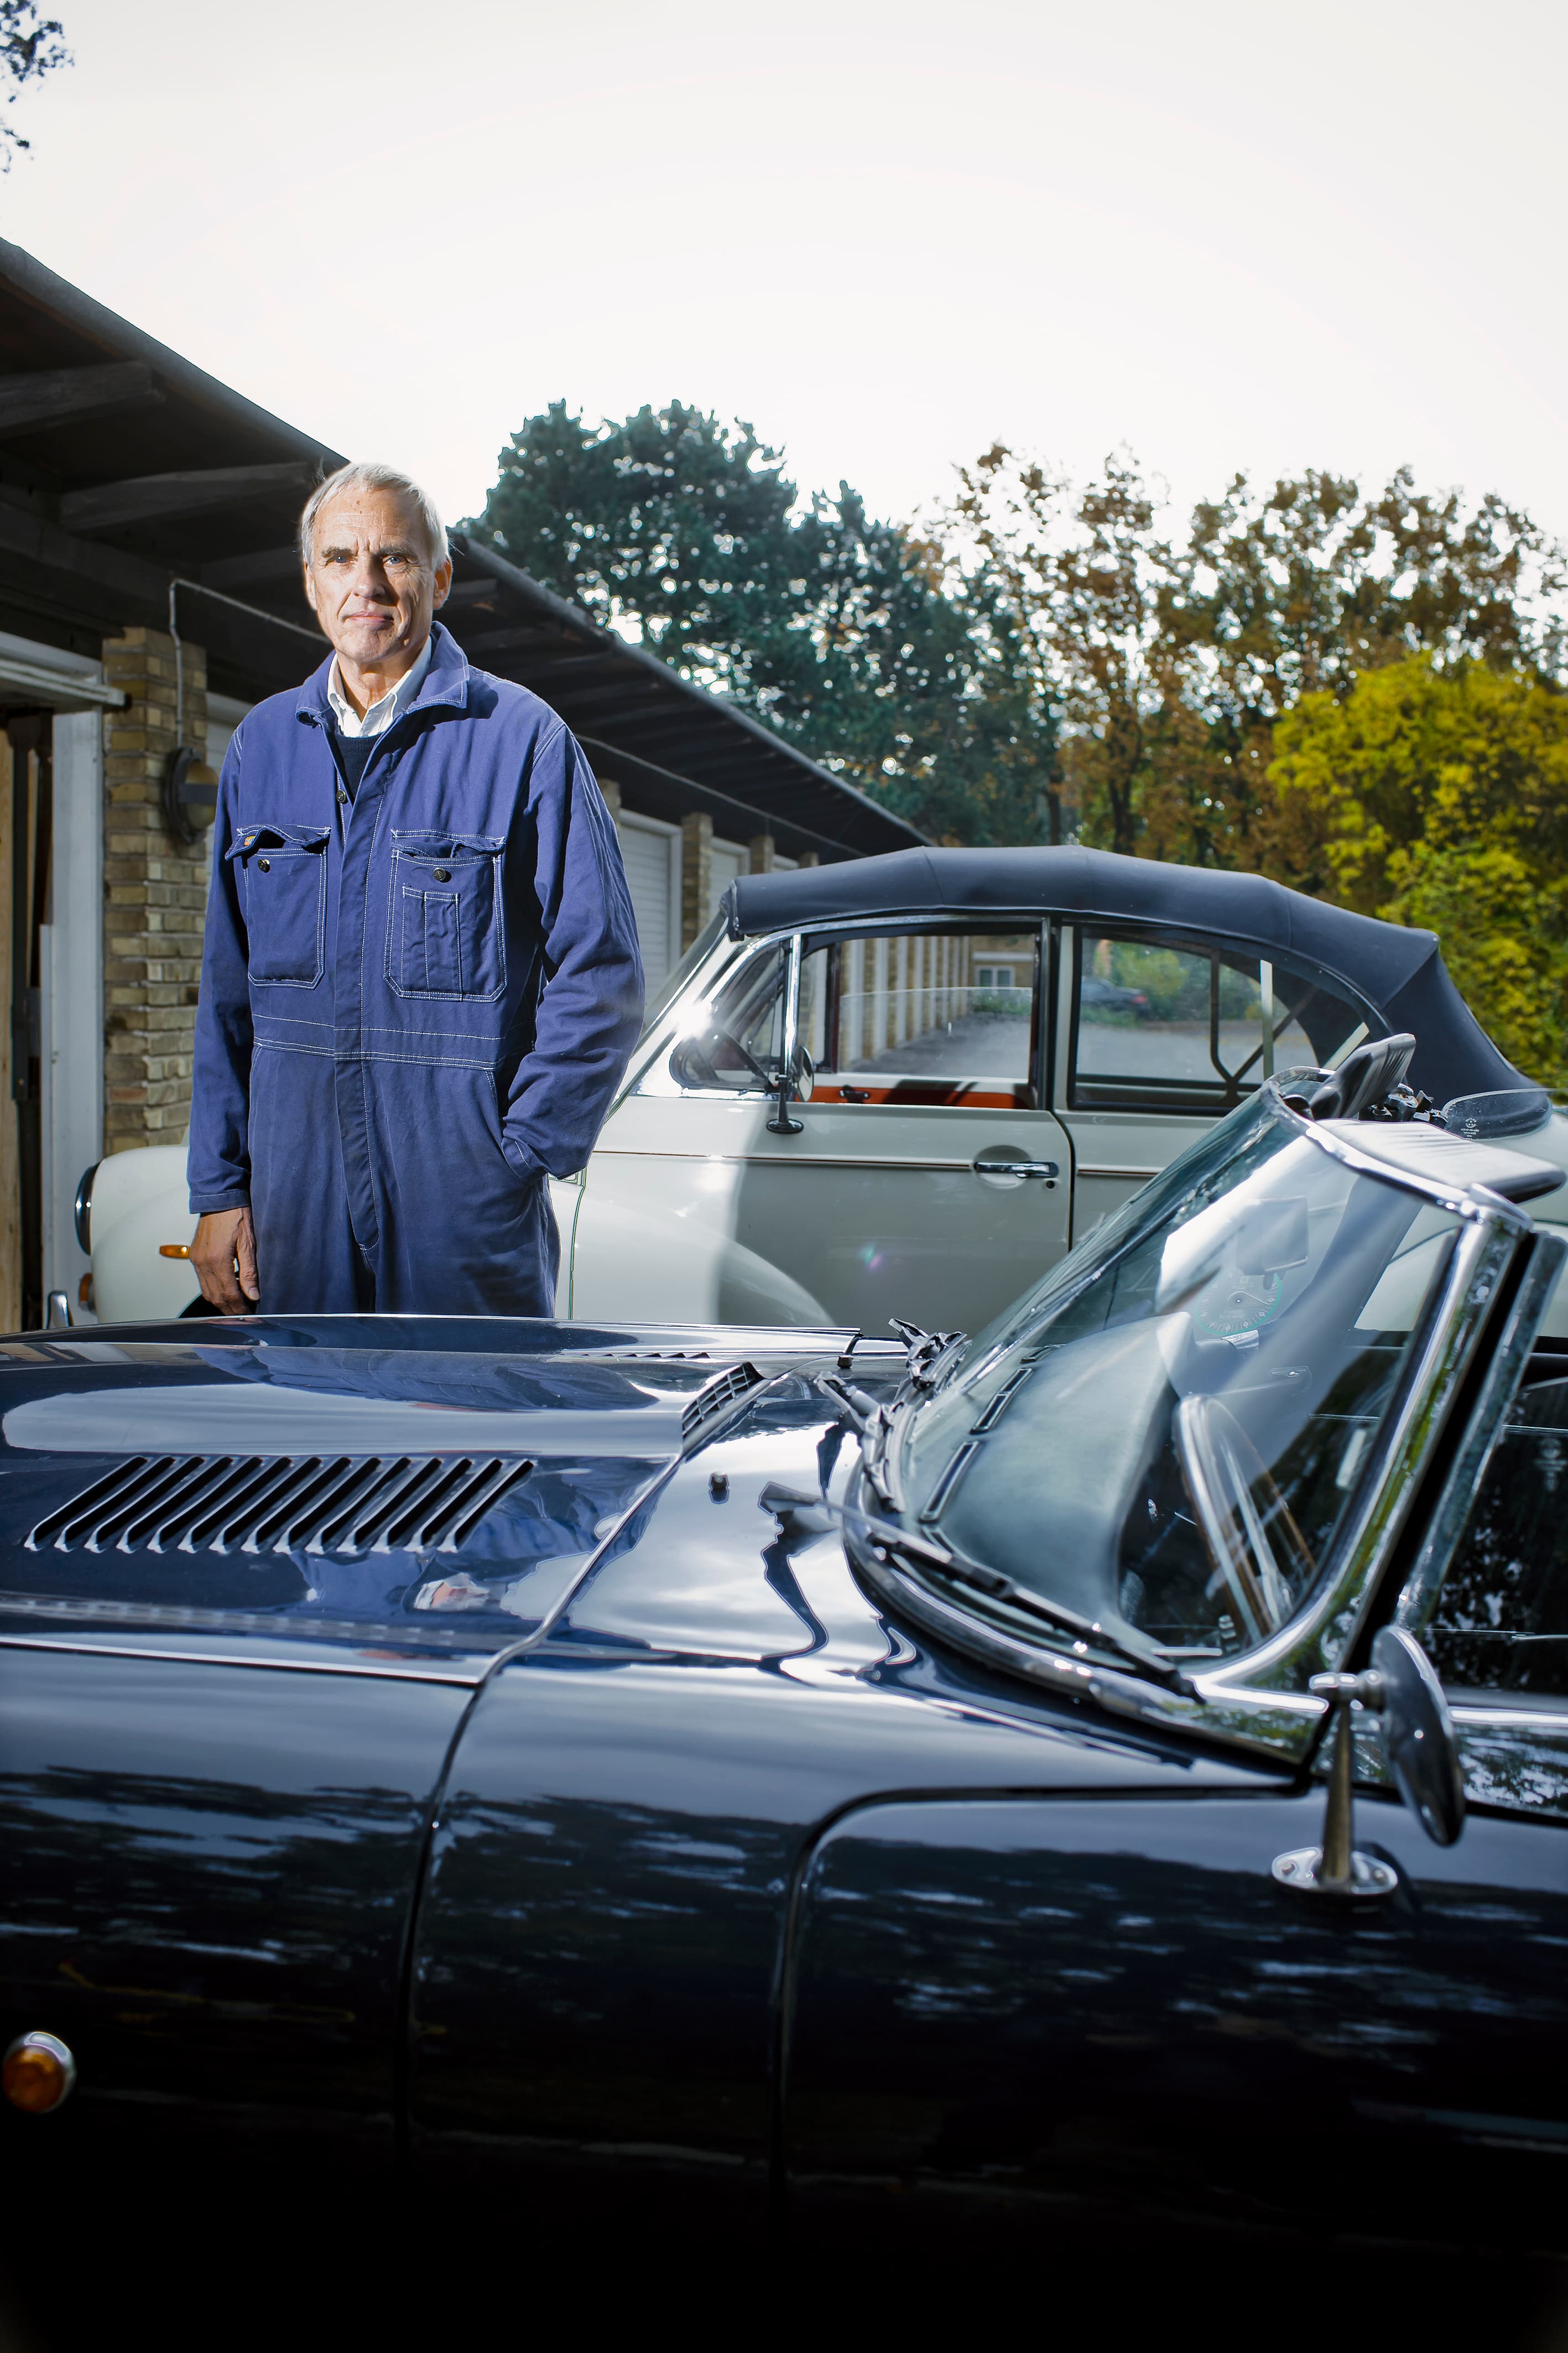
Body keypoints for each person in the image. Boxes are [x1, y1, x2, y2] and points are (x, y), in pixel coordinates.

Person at [186, 460, 644, 1316]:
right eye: (339, 558)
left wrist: (516, 1152)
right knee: (309, 1401)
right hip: (295, 1197)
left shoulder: (521, 741)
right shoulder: (261, 747)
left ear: (438, 579)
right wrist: (220, 1185)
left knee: (470, 1400)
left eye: (393, 557)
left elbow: (603, 971)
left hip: (460, 1203)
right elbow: (226, 992)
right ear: (312, 583)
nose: (366, 583)